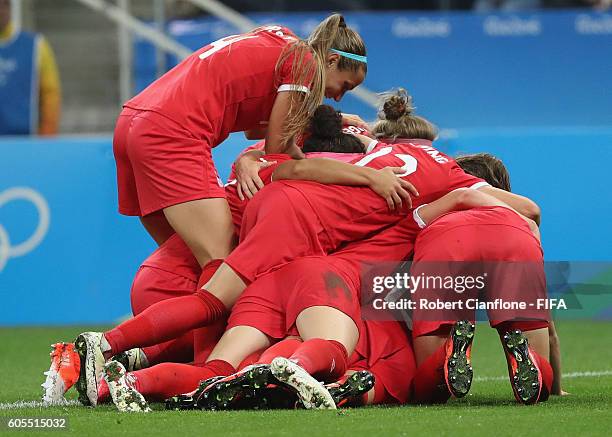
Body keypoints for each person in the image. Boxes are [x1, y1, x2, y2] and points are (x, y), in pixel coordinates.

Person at [0, 0, 61, 135]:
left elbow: (51, 94)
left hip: (25, 143)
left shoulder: (36, 46)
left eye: (4, 4)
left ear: (9, 7)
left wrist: (47, 138)